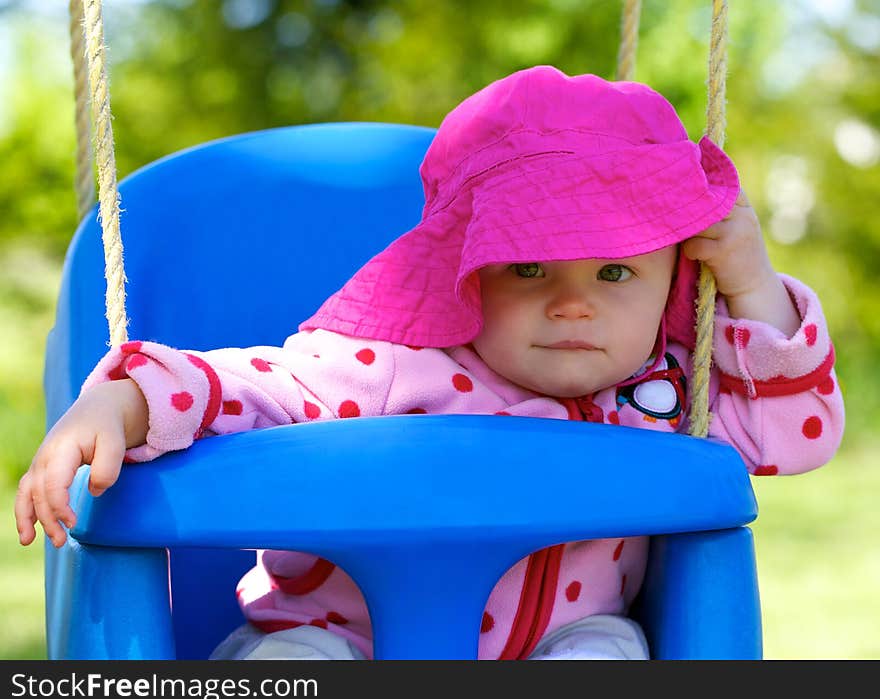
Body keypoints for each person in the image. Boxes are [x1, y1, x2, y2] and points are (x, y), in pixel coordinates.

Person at [15, 65, 844, 660]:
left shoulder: (664, 397)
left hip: (565, 643)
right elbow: (243, 385)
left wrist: (750, 282)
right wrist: (117, 406)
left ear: (672, 282)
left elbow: (793, 436)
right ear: (467, 266)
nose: (572, 302)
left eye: (614, 272)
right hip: (336, 643)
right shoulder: (393, 368)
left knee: (608, 655)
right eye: (528, 266)